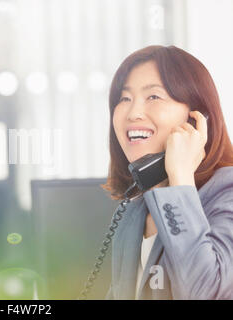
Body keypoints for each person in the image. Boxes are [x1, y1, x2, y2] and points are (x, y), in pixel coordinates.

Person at [102, 45, 233, 299]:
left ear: (196, 118)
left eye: (154, 97)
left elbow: (207, 293)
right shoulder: (135, 210)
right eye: (124, 98)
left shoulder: (227, 192)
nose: (133, 113)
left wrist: (181, 178)